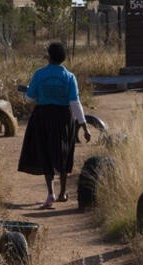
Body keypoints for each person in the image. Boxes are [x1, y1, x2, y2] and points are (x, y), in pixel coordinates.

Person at [18, 42, 92, 209]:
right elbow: (75, 102)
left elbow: (29, 99)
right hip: (64, 118)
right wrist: (84, 125)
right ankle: (63, 192)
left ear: (49, 56)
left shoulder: (39, 74)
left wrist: (31, 93)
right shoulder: (69, 77)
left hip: (43, 116)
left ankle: (50, 193)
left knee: (46, 153)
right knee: (63, 153)